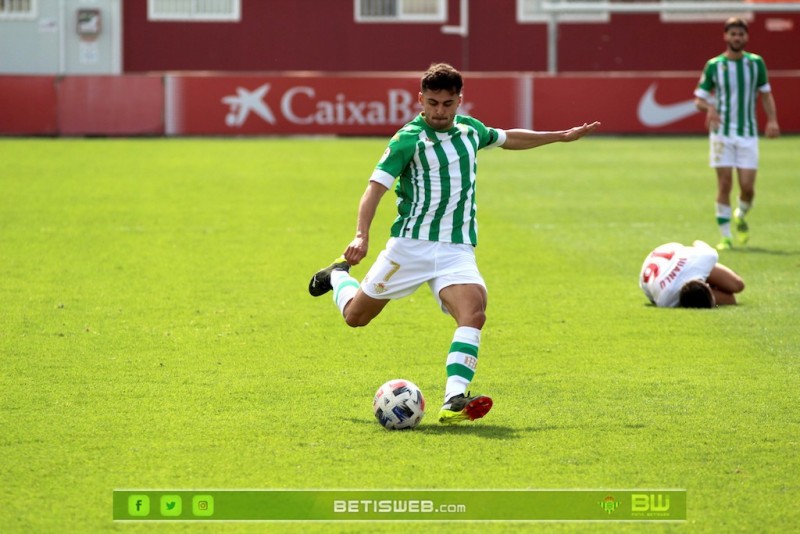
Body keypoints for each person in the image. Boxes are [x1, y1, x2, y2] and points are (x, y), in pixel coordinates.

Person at [308, 62, 600, 425]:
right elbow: (375, 189)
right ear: (420, 100)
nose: (439, 111)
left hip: (455, 249)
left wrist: (559, 136)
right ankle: (338, 275)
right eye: (432, 103)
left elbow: (509, 137)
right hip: (409, 247)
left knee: (474, 312)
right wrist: (361, 235)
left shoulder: (470, 131)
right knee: (355, 318)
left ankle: (454, 398)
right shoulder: (407, 139)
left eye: (447, 104)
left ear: (459, 101)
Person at [694, 17, 780, 251]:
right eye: (733, 34)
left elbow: (765, 94)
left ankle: (740, 214)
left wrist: (772, 119)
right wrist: (710, 107)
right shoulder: (714, 65)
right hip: (721, 133)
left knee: (748, 187)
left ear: (746, 37)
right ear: (726, 36)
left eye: (740, 34)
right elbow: (698, 99)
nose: (737, 38)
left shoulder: (755, 64)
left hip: (747, 133)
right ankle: (726, 237)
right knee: (724, 184)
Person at [639, 240, 745, 308]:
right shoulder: (666, 300)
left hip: (679, 256)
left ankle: (716, 282)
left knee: (738, 285)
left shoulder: (703, 259)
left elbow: (697, 242)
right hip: (659, 265)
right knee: (731, 300)